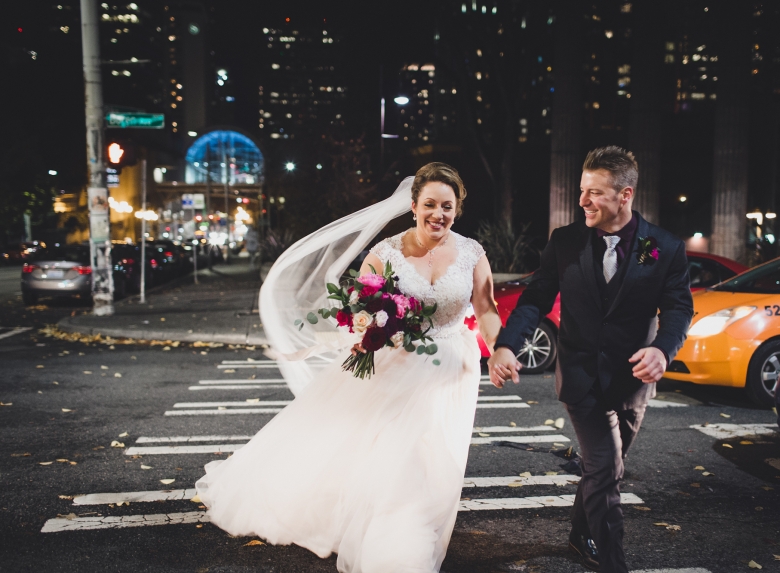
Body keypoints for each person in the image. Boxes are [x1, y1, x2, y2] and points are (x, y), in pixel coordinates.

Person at [196, 163, 502, 573]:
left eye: (447, 206)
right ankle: (395, 538)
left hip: (450, 368)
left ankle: (414, 517)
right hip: (395, 365)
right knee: (399, 454)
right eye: (429, 204)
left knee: (436, 456)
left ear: (457, 209)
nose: (438, 214)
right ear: (413, 206)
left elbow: (486, 311)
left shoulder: (472, 253)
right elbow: (360, 312)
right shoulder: (384, 254)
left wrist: (500, 349)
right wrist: (372, 329)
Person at [489, 146, 694, 573]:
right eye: (582, 191)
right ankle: (613, 563)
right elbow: (535, 299)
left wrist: (662, 349)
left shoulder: (661, 247)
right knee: (606, 468)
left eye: (594, 193)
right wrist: (507, 344)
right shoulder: (565, 242)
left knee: (603, 471)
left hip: (633, 380)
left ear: (625, 195)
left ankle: (579, 535)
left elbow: (677, 309)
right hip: (580, 377)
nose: (582, 201)